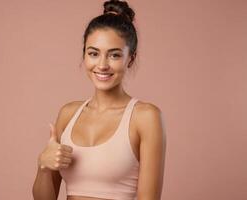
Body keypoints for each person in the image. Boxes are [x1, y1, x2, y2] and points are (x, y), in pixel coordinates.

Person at [32, 0, 166, 200]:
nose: (102, 65)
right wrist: (43, 166)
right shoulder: (68, 114)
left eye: (114, 55)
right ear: (84, 54)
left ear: (130, 58)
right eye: (93, 53)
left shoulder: (146, 117)